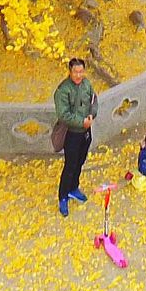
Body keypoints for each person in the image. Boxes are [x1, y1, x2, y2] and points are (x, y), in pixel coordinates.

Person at [52, 57, 97, 217]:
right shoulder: (63, 90)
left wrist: (92, 115)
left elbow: (93, 100)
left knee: (80, 161)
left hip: (85, 132)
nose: (78, 75)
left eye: (81, 71)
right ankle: (63, 196)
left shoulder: (86, 84)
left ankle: (73, 188)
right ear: (70, 72)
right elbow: (63, 114)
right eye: (75, 72)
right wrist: (81, 122)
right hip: (72, 134)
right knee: (70, 165)